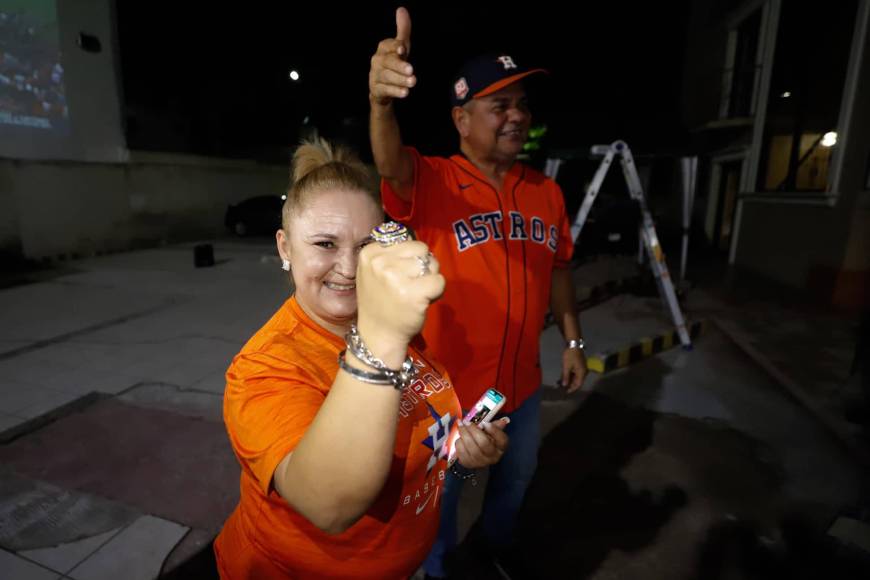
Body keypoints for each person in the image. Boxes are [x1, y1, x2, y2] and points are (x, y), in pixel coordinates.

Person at [213, 139, 509, 579]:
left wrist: (461, 455)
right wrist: (381, 334)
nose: (350, 268)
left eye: (366, 244)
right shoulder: (265, 366)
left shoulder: (390, 323)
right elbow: (327, 505)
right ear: (285, 248)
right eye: (325, 244)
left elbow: (414, 438)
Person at [369, 7, 589, 578]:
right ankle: (438, 569)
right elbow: (389, 163)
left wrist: (573, 341)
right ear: (462, 119)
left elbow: (561, 268)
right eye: (500, 106)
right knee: (440, 498)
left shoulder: (546, 192)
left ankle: (496, 547)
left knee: (514, 480)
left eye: (521, 104)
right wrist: (381, 103)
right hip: (451, 396)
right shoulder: (435, 180)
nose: (517, 116)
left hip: (523, 387)